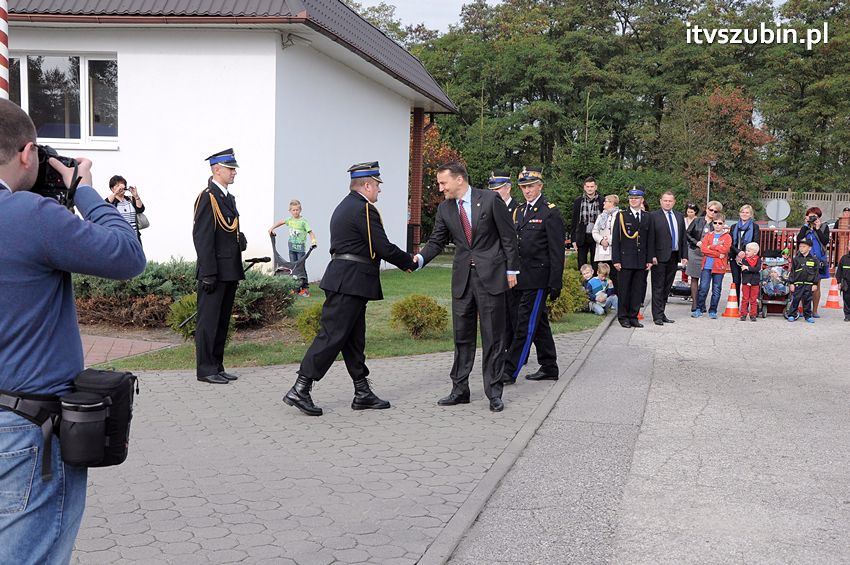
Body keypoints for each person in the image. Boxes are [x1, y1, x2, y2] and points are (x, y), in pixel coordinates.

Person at [0, 99, 145, 563]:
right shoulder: (27, 216)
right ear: (27, 154)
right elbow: (127, 255)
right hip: (25, 432)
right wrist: (81, 188)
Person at [283, 162, 416, 416]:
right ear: (366, 185)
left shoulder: (346, 206)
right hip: (350, 281)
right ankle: (301, 387)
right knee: (331, 336)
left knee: (353, 340)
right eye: (377, 184)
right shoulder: (364, 209)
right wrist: (409, 261)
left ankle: (362, 391)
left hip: (349, 281)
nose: (379, 190)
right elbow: (382, 246)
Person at [415, 161, 519, 412]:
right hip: (463, 280)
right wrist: (418, 259)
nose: (441, 188)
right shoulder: (445, 209)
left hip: (492, 276)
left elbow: (508, 237)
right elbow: (436, 241)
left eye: (443, 183)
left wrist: (511, 270)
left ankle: (494, 392)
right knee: (462, 336)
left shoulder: (491, 200)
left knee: (493, 337)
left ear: (459, 180)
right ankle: (459, 389)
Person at [500, 167, 565, 385]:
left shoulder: (550, 212)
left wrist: (555, 282)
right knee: (539, 323)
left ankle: (510, 371)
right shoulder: (518, 211)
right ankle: (549, 366)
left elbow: (557, 251)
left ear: (540, 186)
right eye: (523, 187)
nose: (527, 191)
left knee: (524, 324)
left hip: (538, 280)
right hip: (519, 278)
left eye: (530, 186)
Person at [193, 148, 246, 385]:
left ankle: (217, 365)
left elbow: (226, 229)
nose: (234, 172)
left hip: (229, 270)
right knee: (208, 323)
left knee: (222, 321)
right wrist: (208, 272)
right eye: (230, 168)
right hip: (214, 273)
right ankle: (205, 369)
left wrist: (239, 241)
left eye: (234, 168)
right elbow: (202, 238)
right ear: (217, 170)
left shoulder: (227, 198)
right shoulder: (208, 197)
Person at [611, 187, 654, 328]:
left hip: (641, 259)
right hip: (625, 259)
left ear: (642, 200)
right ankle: (623, 317)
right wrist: (616, 260)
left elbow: (650, 240)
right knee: (624, 290)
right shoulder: (622, 216)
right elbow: (616, 239)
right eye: (631, 198)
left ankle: (633, 316)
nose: (633, 200)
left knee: (637, 290)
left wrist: (649, 259)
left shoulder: (647, 216)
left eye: (636, 198)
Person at [488, 171, 520, 360]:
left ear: (508, 188)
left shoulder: (517, 209)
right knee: (500, 312)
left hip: (511, 267)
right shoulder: (489, 207)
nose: (495, 192)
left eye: (498, 189)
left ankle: (516, 352)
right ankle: (504, 349)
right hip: (494, 267)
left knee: (514, 311)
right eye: (492, 189)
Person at [648, 191, 687, 325]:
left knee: (667, 286)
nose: (667, 203)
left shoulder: (679, 216)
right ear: (660, 201)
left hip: (674, 255)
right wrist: (651, 255)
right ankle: (657, 316)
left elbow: (683, 237)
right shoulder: (653, 216)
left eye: (670, 201)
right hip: (658, 257)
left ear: (674, 202)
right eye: (665, 200)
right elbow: (650, 238)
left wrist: (684, 256)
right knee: (658, 287)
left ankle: (662, 312)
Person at [269, 199, 318, 296]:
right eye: (293, 210)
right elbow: (280, 222)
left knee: (301, 268)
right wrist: (272, 228)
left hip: (300, 249)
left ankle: (305, 288)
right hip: (292, 249)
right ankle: (295, 288)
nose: (295, 212)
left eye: (297, 210)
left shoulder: (303, 222)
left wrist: (313, 241)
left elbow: (310, 232)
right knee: (293, 268)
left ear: (300, 210)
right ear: (290, 211)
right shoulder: (289, 220)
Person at [693, 213, 732, 319]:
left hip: (719, 267)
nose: (717, 225)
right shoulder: (708, 235)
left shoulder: (727, 237)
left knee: (716, 289)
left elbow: (725, 249)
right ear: (713, 224)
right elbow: (703, 249)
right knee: (703, 288)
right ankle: (699, 309)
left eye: (720, 223)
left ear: (724, 224)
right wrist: (717, 252)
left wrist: (711, 247)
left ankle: (713, 310)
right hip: (707, 266)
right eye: (715, 223)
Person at [686, 201, 722, 313]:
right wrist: (696, 242)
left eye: (715, 211)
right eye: (711, 210)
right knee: (694, 277)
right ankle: (695, 303)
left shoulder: (717, 224)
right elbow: (687, 234)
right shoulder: (697, 220)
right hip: (695, 251)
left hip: (709, 254)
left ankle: (702, 303)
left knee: (706, 280)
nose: (712, 212)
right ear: (706, 209)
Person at [797, 207, 830, 317]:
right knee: (802, 284)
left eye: (814, 216)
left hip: (819, 259)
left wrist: (817, 228)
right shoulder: (805, 228)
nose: (812, 217)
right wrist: (806, 226)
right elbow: (799, 239)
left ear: (818, 217)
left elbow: (825, 241)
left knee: (816, 285)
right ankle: (802, 309)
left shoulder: (824, 226)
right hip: (804, 258)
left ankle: (814, 310)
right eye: (810, 215)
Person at [570, 176, 604, 270]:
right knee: (581, 263)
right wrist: (573, 239)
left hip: (596, 236)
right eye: (588, 186)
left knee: (596, 263)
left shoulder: (602, 201)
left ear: (595, 187)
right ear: (584, 187)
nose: (590, 189)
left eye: (592, 186)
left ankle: (596, 283)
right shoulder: (578, 201)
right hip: (582, 236)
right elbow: (574, 221)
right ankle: (583, 282)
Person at [728, 204, 761, 300]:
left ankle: (746, 306)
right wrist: (738, 252)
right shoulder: (734, 227)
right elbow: (730, 242)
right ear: (739, 213)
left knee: (747, 283)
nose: (744, 214)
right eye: (742, 212)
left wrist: (744, 253)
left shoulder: (755, 227)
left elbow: (756, 243)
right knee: (736, 281)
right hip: (734, 257)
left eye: (747, 212)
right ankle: (736, 303)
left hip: (748, 259)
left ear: (751, 214)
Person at [787, 238, 823, 323]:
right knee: (796, 299)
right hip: (798, 284)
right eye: (800, 246)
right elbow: (792, 272)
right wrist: (791, 283)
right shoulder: (796, 259)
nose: (801, 248)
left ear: (809, 248)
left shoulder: (814, 260)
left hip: (809, 284)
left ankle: (808, 316)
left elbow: (816, 273)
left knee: (807, 300)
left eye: (804, 246)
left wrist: (815, 284)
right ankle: (792, 314)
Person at [592, 194, 620, 292]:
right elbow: (594, 231)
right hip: (601, 251)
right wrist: (601, 240)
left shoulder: (619, 215)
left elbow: (619, 232)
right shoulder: (601, 216)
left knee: (614, 276)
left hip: (613, 250)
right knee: (601, 274)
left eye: (606, 201)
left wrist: (608, 240)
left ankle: (615, 297)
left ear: (612, 203)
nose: (603, 203)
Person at [105, 174, 146, 242]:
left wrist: (136, 196)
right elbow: (104, 206)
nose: (121, 187)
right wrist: (115, 193)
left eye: (122, 185)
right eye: (117, 185)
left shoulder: (130, 199)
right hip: (119, 238)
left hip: (135, 237)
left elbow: (140, 209)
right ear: (112, 189)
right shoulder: (112, 201)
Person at [739, 242, 762, 321]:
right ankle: (743, 314)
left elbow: (757, 269)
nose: (746, 252)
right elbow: (743, 270)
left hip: (755, 282)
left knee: (753, 299)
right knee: (745, 298)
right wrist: (749, 269)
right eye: (746, 250)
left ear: (755, 252)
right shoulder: (744, 259)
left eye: (749, 251)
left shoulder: (758, 260)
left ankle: (753, 314)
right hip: (746, 281)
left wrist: (748, 268)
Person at [835, 245, 850, 321]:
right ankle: (847, 315)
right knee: (846, 299)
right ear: (848, 247)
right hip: (846, 283)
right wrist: (839, 282)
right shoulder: (844, 258)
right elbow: (839, 271)